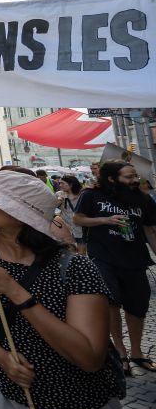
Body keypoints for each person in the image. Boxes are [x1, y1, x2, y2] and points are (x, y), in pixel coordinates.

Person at [0, 170, 129, 409]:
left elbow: (89, 358)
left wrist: (14, 291)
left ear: (21, 213)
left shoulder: (75, 268)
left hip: (73, 403)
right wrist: (2, 358)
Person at [74, 160, 156, 375]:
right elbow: (78, 219)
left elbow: (150, 230)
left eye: (135, 175)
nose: (135, 180)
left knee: (137, 307)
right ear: (111, 178)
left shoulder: (143, 199)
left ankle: (137, 352)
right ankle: (120, 351)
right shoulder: (91, 195)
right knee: (111, 304)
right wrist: (105, 220)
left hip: (136, 260)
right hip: (104, 259)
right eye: (128, 177)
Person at [55, 174, 84, 254]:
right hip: (66, 226)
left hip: (79, 227)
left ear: (71, 184)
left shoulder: (82, 194)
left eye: (63, 183)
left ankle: (81, 262)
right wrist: (59, 199)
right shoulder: (59, 194)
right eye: (59, 183)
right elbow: (53, 207)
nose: (60, 185)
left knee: (81, 249)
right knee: (69, 250)